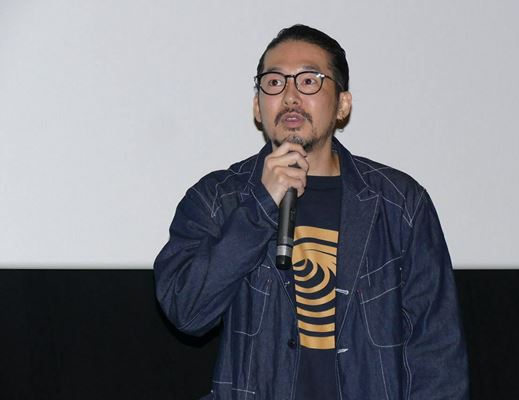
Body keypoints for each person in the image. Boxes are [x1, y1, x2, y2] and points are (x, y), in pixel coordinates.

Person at [154, 24, 469, 400]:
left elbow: (437, 352)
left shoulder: (399, 204)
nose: (290, 96)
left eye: (309, 81)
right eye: (274, 82)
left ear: (342, 105)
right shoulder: (217, 199)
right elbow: (188, 311)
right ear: (257, 107)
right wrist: (259, 206)